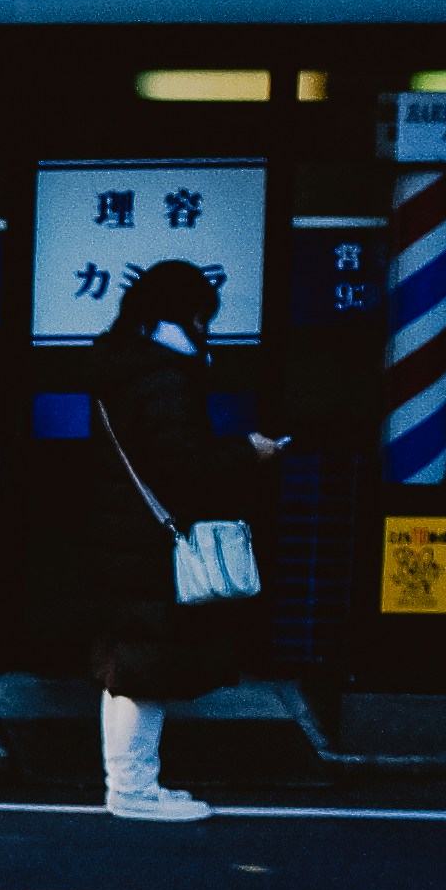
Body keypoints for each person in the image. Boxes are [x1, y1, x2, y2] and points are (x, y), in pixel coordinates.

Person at [82, 256, 287, 825]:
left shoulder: (124, 363)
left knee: (127, 667)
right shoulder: (165, 376)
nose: (206, 328)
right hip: (149, 544)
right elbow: (184, 467)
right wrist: (248, 451)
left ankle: (127, 782)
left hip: (122, 537)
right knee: (143, 670)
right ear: (186, 313)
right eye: (203, 316)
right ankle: (134, 789)